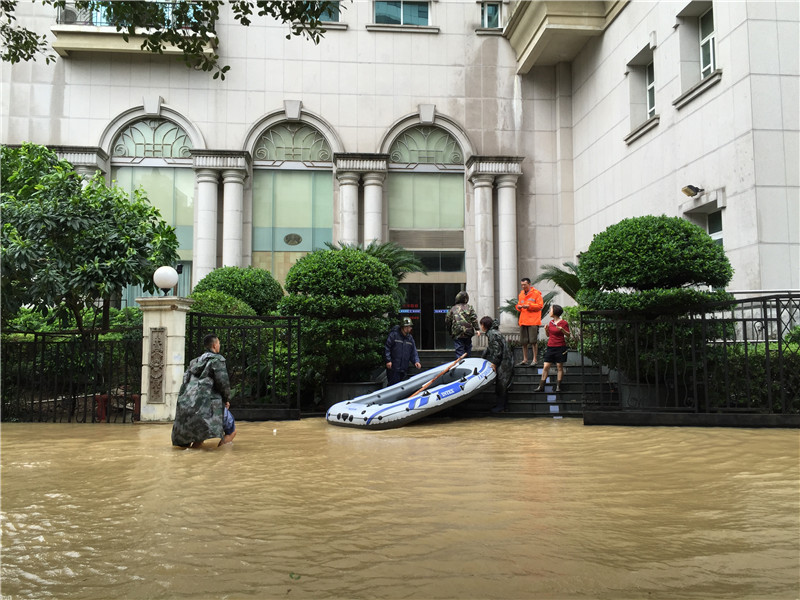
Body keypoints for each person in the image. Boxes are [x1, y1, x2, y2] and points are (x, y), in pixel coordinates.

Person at [172, 333, 230, 448]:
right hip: (205, 405)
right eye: (218, 343)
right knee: (201, 437)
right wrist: (227, 398)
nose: (219, 345)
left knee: (191, 438)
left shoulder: (195, 362)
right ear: (214, 345)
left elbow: (185, 381)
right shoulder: (217, 360)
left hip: (187, 402)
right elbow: (223, 382)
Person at [480, 316, 514, 413]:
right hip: (506, 360)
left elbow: (497, 350)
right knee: (503, 384)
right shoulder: (493, 333)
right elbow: (490, 347)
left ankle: (501, 407)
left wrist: (494, 363)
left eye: (481, 324)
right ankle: (503, 406)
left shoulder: (492, 334)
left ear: (484, 325)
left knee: (501, 384)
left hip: (504, 361)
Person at [535, 304, 571, 393]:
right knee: (546, 366)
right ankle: (541, 386)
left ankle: (558, 386)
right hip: (550, 347)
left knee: (559, 366)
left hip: (560, 347)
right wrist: (546, 330)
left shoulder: (564, 323)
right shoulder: (550, 323)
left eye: (550, 310)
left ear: (555, 311)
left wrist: (562, 329)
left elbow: (568, 335)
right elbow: (548, 335)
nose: (549, 312)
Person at [384, 317, 422, 386]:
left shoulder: (410, 338)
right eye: (409, 327)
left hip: (404, 368)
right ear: (405, 327)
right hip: (394, 368)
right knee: (393, 386)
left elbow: (413, 351)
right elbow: (387, 348)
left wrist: (416, 361)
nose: (411, 328)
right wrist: (388, 360)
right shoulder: (394, 335)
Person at [516, 277, 544, 366]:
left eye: (524, 284)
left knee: (533, 341)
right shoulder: (521, 294)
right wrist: (518, 307)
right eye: (522, 285)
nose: (523, 286)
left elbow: (540, 306)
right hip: (523, 320)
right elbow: (519, 305)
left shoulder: (536, 294)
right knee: (523, 341)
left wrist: (529, 306)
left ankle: (535, 359)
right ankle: (525, 359)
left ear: (529, 284)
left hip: (533, 321)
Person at [444, 291, 480, 359]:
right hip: (468, 332)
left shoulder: (453, 308)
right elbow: (473, 318)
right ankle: (467, 363)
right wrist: (477, 329)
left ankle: (461, 364)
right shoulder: (469, 307)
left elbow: (448, 320)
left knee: (459, 350)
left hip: (457, 332)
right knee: (468, 349)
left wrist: (450, 331)